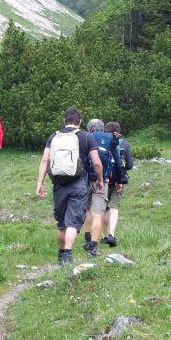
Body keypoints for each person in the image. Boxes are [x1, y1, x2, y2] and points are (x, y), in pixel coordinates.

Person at [36, 108, 104, 266]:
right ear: (80, 122)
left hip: (59, 184)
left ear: (64, 121)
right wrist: (99, 179)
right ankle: (67, 255)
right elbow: (96, 162)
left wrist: (40, 183)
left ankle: (61, 257)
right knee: (72, 222)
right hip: (78, 183)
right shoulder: (86, 136)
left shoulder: (54, 136)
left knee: (61, 223)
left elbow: (45, 161)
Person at [80, 119, 122, 256]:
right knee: (97, 214)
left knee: (86, 210)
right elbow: (117, 161)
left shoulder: (86, 137)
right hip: (102, 181)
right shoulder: (109, 139)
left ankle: (87, 239)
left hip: (85, 180)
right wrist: (119, 180)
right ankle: (93, 246)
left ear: (88, 129)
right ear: (103, 128)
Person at [102, 121, 132, 248]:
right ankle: (111, 234)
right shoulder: (124, 144)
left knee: (104, 209)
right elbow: (129, 165)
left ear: (105, 131)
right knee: (114, 208)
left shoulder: (101, 142)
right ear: (118, 131)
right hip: (118, 181)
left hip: (103, 180)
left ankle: (103, 236)